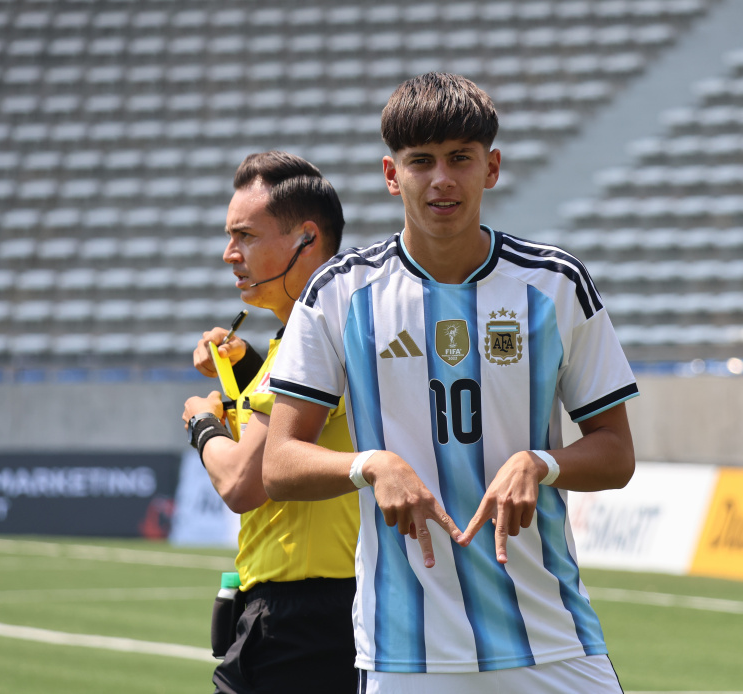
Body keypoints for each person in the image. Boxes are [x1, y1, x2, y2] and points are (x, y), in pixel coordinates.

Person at [262, 73, 638, 694]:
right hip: (404, 650)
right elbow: (279, 462)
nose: (442, 178)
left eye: (460, 159)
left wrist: (540, 462)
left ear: (491, 168)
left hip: (549, 638)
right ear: (391, 175)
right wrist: (371, 465)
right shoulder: (338, 293)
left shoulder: (555, 284)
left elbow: (617, 453)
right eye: (421, 162)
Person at [181, 151, 359, 694]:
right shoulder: (324, 328)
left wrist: (202, 424)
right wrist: (252, 366)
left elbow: (242, 481)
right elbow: (301, 417)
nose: (229, 254)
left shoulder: (316, 332)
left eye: (246, 236)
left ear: (306, 239)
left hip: (299, 622)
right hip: (323, 611)